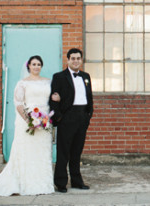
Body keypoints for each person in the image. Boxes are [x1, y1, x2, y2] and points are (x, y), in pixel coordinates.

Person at [0, 55, 60, 196]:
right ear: (28, 66)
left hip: (45, 121)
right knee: (27, 151)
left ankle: (43, 183)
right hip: (29, 122)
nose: (36, 67)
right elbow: (19, 104)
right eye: (33, 64)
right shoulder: (22, 83)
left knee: (42, 152)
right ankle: (26, 183)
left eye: (39, 64)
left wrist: (56, 100)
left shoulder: (48, 82)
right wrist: (30, 120)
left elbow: (54, 98)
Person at [49, 48, 93, 193]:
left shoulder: (86, 76)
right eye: (73, 58)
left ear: (81, 60)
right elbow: (53, 100)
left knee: (76, 152)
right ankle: (60, 183)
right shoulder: (59, 77)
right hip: (66, 118)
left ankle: (76, 181)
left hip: (82, 118)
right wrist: (59, 117)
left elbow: (89, 97)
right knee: (63, 153)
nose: (76, 61)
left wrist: (88, 116)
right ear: (68, 60)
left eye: (78, 58)